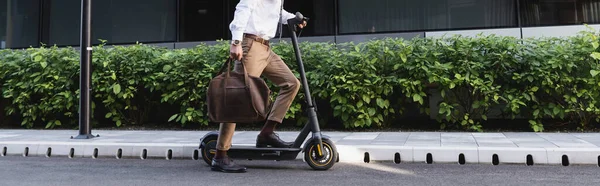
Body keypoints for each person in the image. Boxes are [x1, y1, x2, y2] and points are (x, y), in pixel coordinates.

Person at [210, 0, 308, 173]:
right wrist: (236, 42)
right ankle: (220, 155)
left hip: (265, 48)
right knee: (237, 98)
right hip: (250, 45)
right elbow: (242, 8)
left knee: (291, 83)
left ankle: (266, 133)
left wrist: (293, 19)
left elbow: (276, 12)